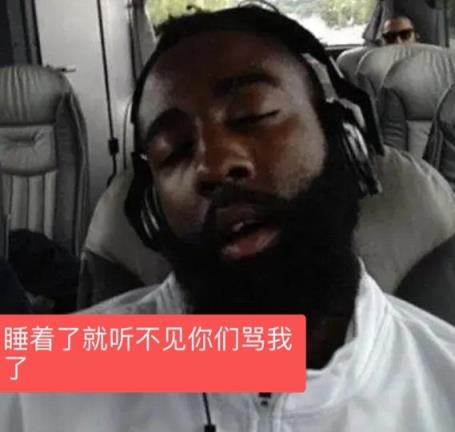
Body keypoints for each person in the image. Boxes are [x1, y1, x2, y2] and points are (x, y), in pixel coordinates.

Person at [1, 6, 455, 431]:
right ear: (153, 213)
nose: (213, 165)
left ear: (343, 138)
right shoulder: (41, 386)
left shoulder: (442, 379)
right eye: (174, 150)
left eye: (254, 115)